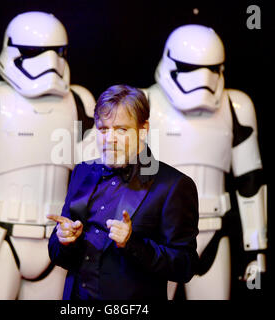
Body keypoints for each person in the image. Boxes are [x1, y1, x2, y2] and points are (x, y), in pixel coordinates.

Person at [0, 11, 95, 299]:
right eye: (35, 52)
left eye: (57, 52)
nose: (49, 63)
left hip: (56, 239)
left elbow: (96, 175)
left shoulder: (78, 101)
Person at [145, 24, 267, 299]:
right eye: (189, 68)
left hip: (212, 231)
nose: (201, 80)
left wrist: (256, 248)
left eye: (211, 69)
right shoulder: (144, 103)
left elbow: (250, 182)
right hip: (157, 233)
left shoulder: (236, 107)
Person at [48, 84, 199, 300]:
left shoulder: (173, 185)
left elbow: (185, 266)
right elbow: (58, 255)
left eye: (121, 129)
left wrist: (132, 243)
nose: (109, 139)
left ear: (143, 129)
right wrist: (64, 240)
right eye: (103, 129)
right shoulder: (82, 172)